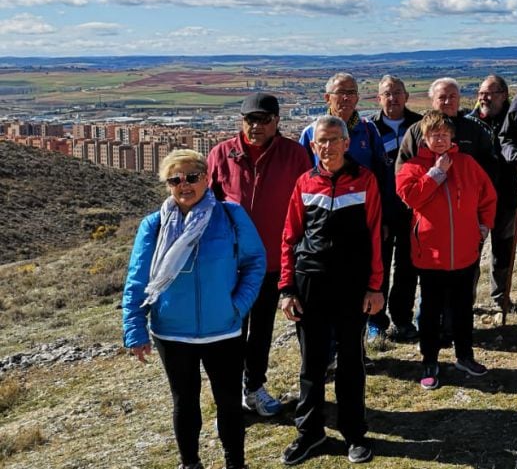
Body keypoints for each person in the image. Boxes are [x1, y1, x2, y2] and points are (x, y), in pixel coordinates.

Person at [123, 149, 265, 469]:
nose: (184, 185)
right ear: (167, 184)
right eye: (175, 179)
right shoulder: (154, 225)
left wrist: (238, 305)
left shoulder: (230, 215)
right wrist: (134, 329)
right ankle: (190, 463)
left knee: (229, 403)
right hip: (172, 332)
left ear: (207, 178)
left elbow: (255, 263)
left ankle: (235, 463)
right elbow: (137, 278)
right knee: (184, 403)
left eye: (192, 177)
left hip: (223, 329)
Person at [278, 116, 384, 465]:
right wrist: (286, 289)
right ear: (313, 145)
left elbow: (374, 236)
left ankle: (354, 433)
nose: (328, 146)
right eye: (322, 141)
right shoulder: (304, 183)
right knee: (312, 363)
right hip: (310, 282)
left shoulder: (364, 180)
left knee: (351, 361)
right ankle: (310, 433)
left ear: (346, 143)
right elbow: (290, 237)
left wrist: (375, 286)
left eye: (335, 139)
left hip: (352, 285)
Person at [206, 92, 310, 417]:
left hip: (272, 263)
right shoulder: (222, 154)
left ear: (276, 121)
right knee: (230, 330)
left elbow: (308, 206)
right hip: (230, 265)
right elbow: (206, 207)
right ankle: (229, 394)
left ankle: (254, 389)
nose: (256, 126)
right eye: (250, 119)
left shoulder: (294, 155)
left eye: (264, 120)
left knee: (262, 330)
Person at [396, 112, 497, 389]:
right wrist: (436, 173)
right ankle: (429, 361)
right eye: (433, 134)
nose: (440, 139)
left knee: (463, 309)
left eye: (444, 134)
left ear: (452, 136)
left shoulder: (467, 163)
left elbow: (488, 196)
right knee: (430, 312)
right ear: (424, 138)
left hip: (465, 253)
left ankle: (465, 355)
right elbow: (411, 197)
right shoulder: (412, 167)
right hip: (431, 256)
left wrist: (484, 225)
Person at [299, 72, 390, 344]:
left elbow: (381, 173)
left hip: (361, 218)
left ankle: (371, 325)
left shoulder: (367, 129)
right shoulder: (311, 132)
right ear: (328, 97)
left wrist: (383, 217)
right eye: (341, 92)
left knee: (367, 271)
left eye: (352, 92)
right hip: (322, 221)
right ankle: (328, 343)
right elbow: (302, 180)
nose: (347, 97)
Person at [368, 75, 422, 341]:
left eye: (398, 92)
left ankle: (402, 319)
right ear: (379, 98)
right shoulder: (369, 130)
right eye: (387, 94)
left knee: (407, 268)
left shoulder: (421, 125)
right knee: (378, 267)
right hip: (381, 212)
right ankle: (376, 321)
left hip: (412, 212)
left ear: (406, 96)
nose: (393, 98)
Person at [465, 74, 517, 310]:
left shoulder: (516, 120)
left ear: (504, 95)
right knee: (472, 252)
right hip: (474, 202)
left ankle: (500, 297)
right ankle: (467, 301)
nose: (484, 97)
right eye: (481, 93)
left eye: (490, 93)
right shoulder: (468, 123)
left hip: (507, 197)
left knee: (503, 250)